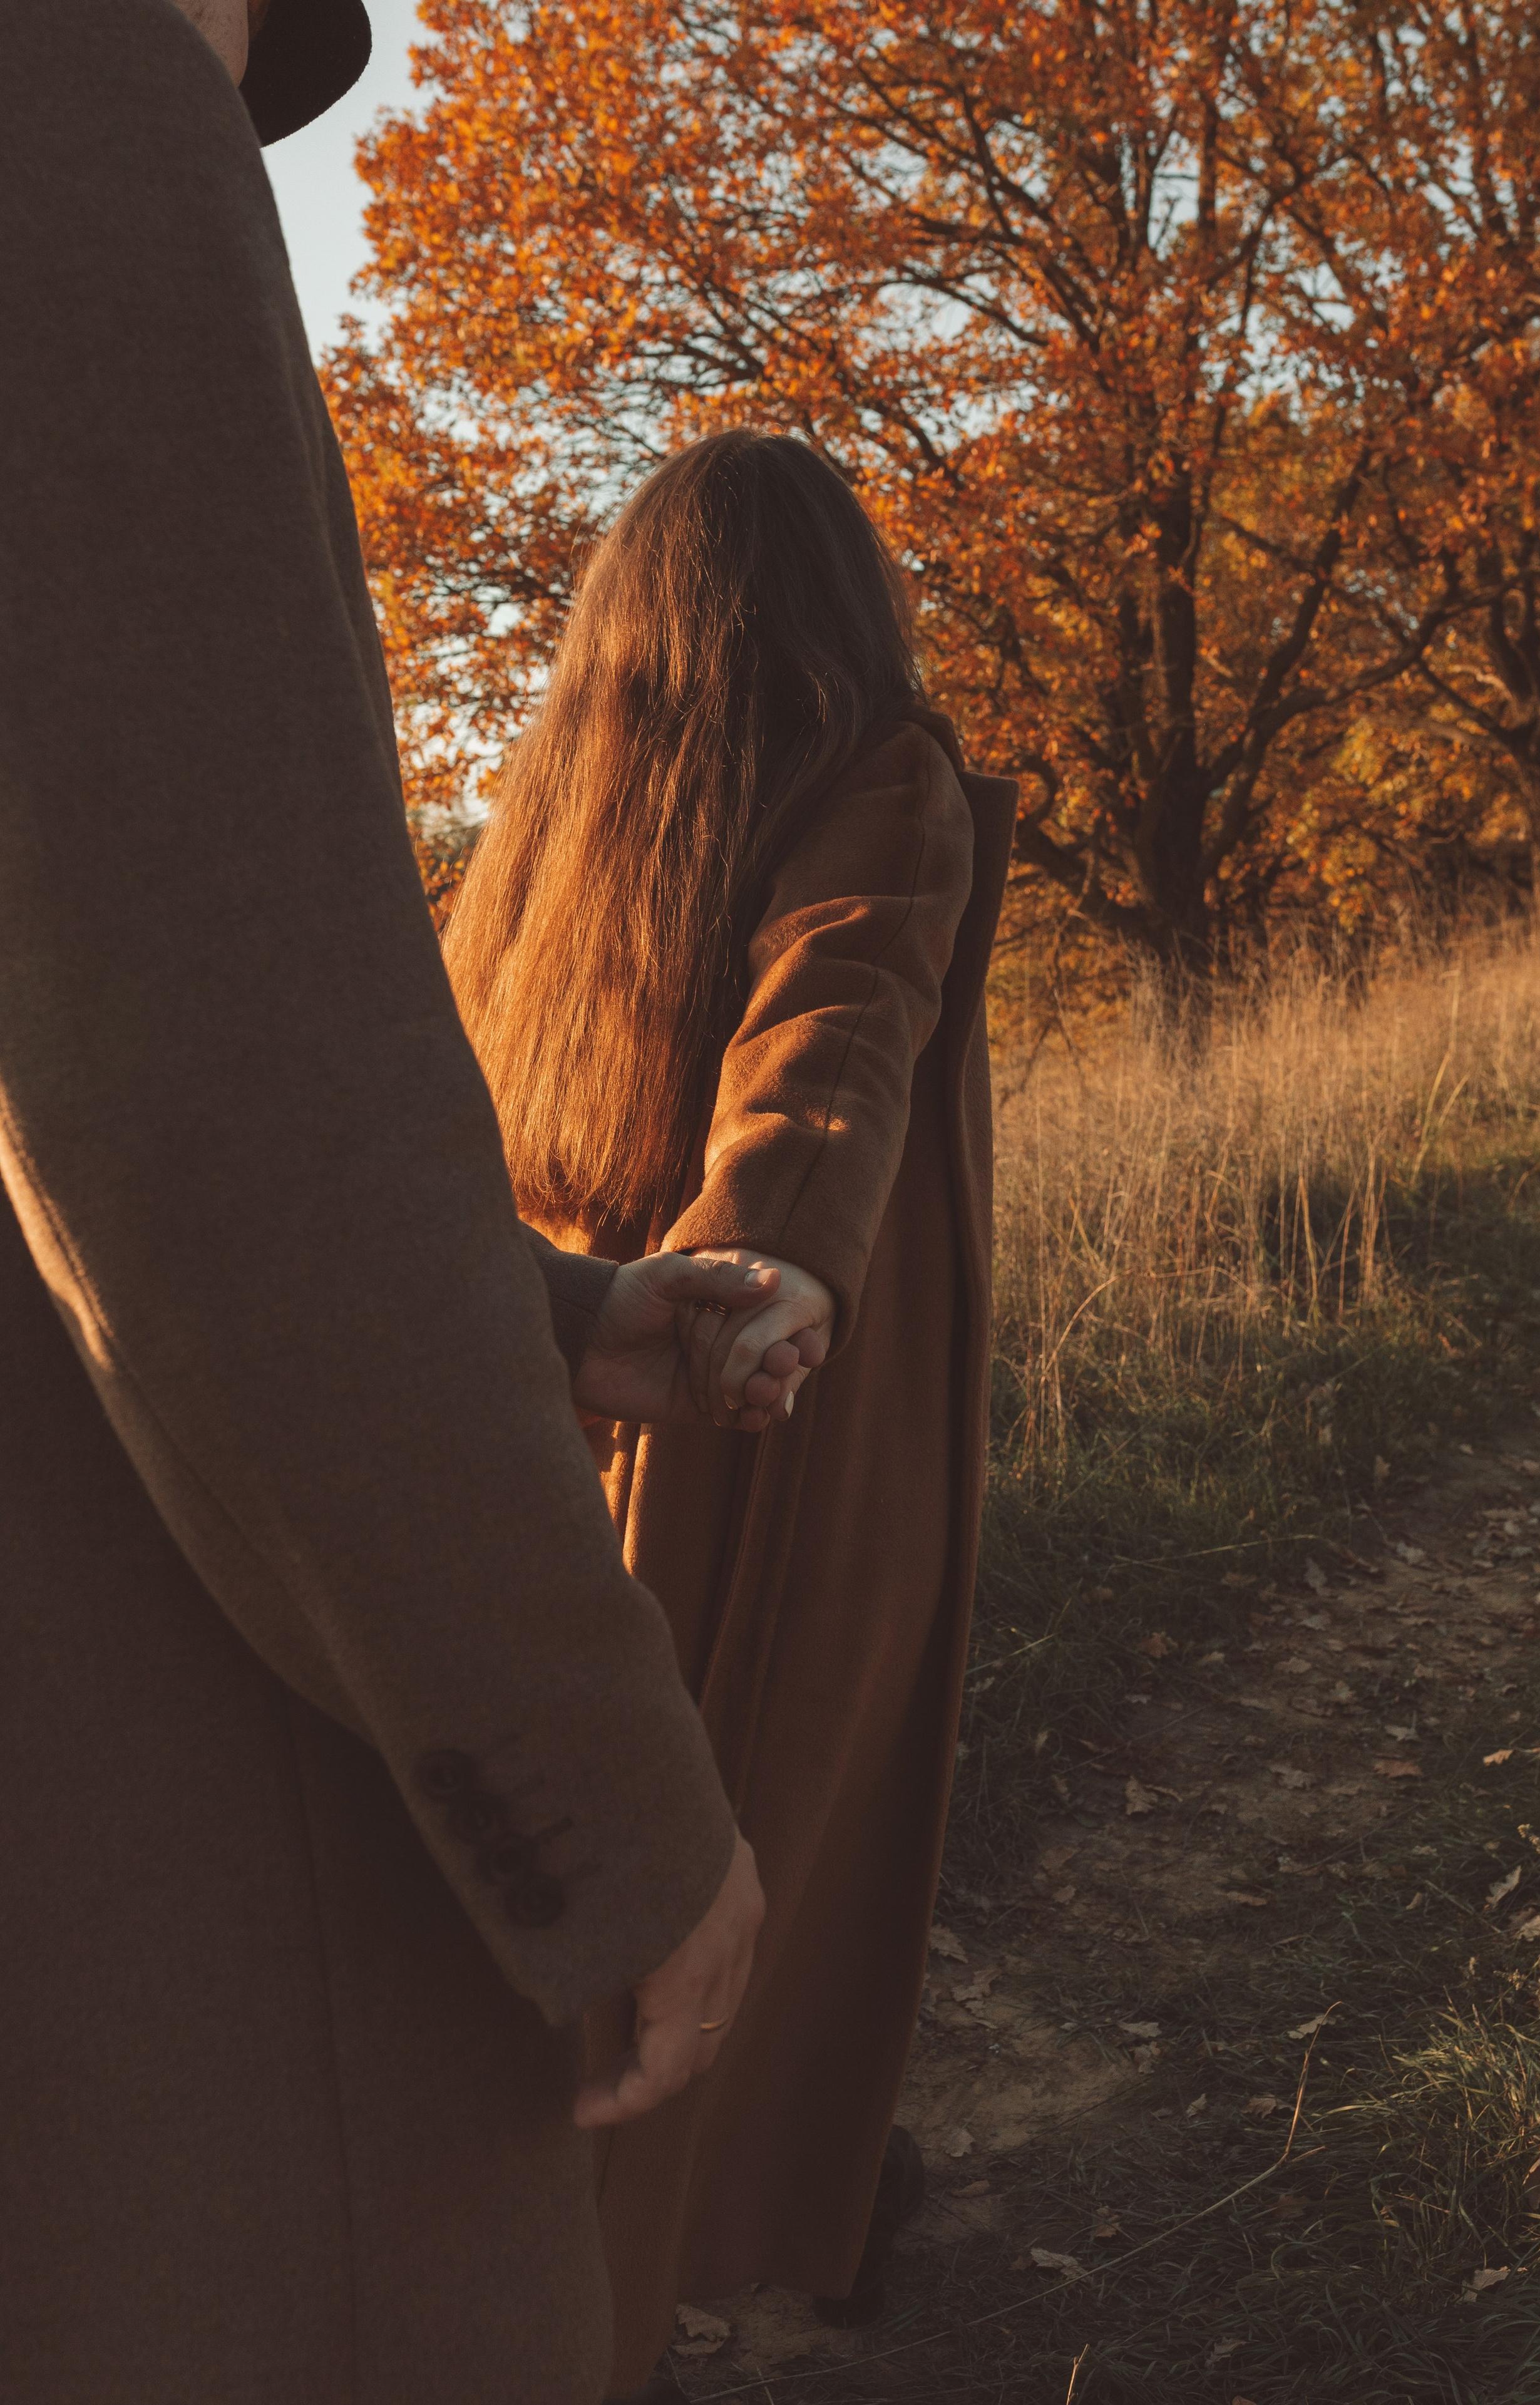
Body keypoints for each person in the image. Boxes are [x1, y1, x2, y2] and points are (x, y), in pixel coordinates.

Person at [0, 7, 794, 2401]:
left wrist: (535, 1314)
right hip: (172, 1865)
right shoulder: (64, 90)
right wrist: (603, 1794)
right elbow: (218, 1077)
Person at [445, 430, 1018, 2392]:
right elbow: (840, 1032)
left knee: (574, 1883)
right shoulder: (887, 778)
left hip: (560, 1421)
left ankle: (706, 2226)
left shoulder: (537, 840)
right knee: (744, 1864)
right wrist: (769, 1269)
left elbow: (813, 1036)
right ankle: (654, 2283)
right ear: (846, 610)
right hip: (769, 1437)